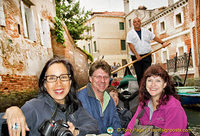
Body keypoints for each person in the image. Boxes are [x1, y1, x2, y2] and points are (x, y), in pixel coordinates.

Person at [0, 57, 99, 136]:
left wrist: (75, 132)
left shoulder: (74, 107)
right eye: (52, 78)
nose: (58, 83)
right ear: (44, 84)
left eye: (63, 77)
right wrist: (11, 112)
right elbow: (7, 126)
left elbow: (93, 126)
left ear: (70, 81)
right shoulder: (33, 108)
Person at [124, 65, 189, 136]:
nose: (153, 85)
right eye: (149, 80)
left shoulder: (174, 107)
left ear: (164, 84)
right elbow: (130, 128)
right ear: (145, 83)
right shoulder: (143, 104)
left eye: (158, 81)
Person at [77, 60, 122, 135]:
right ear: (90, 78)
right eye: (98, 77)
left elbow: (117, 127)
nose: (102, 81)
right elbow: (82, 130)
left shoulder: (109, 100)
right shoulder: (80, 99)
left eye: (106, 77)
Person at [126, 17, 169, 86]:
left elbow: (154, 37)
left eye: (138, 21)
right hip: (136, 57)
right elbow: (130, 45)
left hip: (147, 56)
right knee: (139, 74)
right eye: (135, 22)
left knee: (147, 74)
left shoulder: (146, 31)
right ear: (133, 24)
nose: (137, 23)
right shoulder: (130, 33)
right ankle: (141, 91)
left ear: (140, 23)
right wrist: (137, 55)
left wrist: (162, 43)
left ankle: (147, 89)